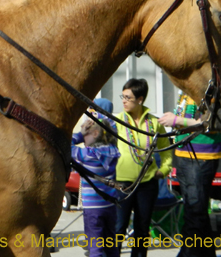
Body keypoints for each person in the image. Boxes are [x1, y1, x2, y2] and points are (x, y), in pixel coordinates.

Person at [158, 93, 221, 257]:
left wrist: (177, 121)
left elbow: (210, 123)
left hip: (201, 157)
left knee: (194, 211)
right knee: (197, 209)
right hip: (185, 154)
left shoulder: (206, 91)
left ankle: (188, 253)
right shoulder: (185, 92)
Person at [114, 78, 172, 257]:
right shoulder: (116, 121)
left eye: (128, 97)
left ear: (140, 99)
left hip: (147, 184)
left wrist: (164, 170)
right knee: (118, 228)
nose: (123, 101)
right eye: (122, 96)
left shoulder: (154, 123)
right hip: (122, 184)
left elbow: (166, 151)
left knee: (141, 228)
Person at [71, 101, 120, 257]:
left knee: (95, 248)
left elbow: (67, 143)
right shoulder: (114, 151)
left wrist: (79, 134)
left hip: (92, 210)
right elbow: (111, 131)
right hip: (110, 205)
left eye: (86, 133)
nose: (83, 137)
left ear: (95, 134)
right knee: (111, 245)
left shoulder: (87, 156)